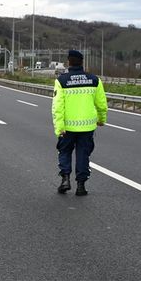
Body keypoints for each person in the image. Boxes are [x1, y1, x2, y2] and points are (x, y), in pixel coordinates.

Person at [51, 50, 107, 196]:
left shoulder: (62, 81)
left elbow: (57, 107)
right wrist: (102, 119)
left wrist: (59, 128)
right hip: (87, 127)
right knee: (83, 155)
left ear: (68, 62)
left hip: (67, 127)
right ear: (82, 62)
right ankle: (81, 186)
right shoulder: (94, 80)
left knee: (64, 152)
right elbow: (101, 104)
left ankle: (65, 180)